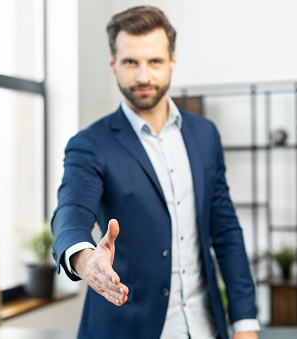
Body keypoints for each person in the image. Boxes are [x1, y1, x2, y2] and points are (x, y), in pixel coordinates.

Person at [51, 6, 260, 339]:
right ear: (113, 64)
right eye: (130, 62)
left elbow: (226, 232)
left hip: (205, 328)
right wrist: (84, 258)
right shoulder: (90, 144)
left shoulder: (205, 135)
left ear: (172, 61)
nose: (143, 77)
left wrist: (245, 322)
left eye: (155, 62)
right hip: (124, 329)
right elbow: (71, 212)